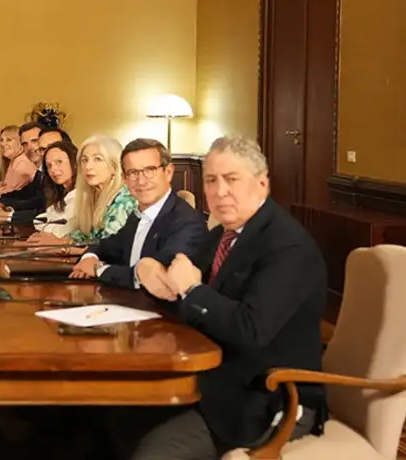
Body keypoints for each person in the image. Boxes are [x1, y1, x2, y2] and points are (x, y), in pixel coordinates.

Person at [131, 135, 327, 459]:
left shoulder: (287, 246)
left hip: (264, 401)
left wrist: (192, 290)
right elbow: (180, 282)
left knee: (149, 451)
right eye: (211, 180)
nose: (220, 191)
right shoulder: (223, 234)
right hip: (213, 380)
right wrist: (151, 270)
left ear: (261, 184)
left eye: (231, 179)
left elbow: (250, 329)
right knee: (105, 416)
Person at [69, 138, 206, 294]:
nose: (141, 181)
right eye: (133, 173)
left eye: (149, 170)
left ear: (168, 172)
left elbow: (156, 278)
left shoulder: (187, 223)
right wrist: (89, 257)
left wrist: (99, 269)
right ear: (125, 178)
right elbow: (105, 246)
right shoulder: (138, 215)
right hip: (125, 300)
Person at [25, 135, 136, 249]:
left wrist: (61, 245)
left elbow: (107, 249)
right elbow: (84, 236)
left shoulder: (124, 199)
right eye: (84, 160)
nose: (88, 166)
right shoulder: (92, 195)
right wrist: (51, 241)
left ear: (114, 166)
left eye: (97, 159)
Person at [0, 127, 70, 224]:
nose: (30, 148)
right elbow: (33, 198)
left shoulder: (65, 176)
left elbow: (49, 213)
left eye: (34, 141)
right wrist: (2, 202)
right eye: (25, 144)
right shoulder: (45, 172)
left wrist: (8, 215)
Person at [0, 125, 38, 195]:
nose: (3, 144)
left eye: (9, 140)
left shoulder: (22, 163)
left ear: (20, 142)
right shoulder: (15, 160)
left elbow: (10, 192)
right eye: (1, 140)